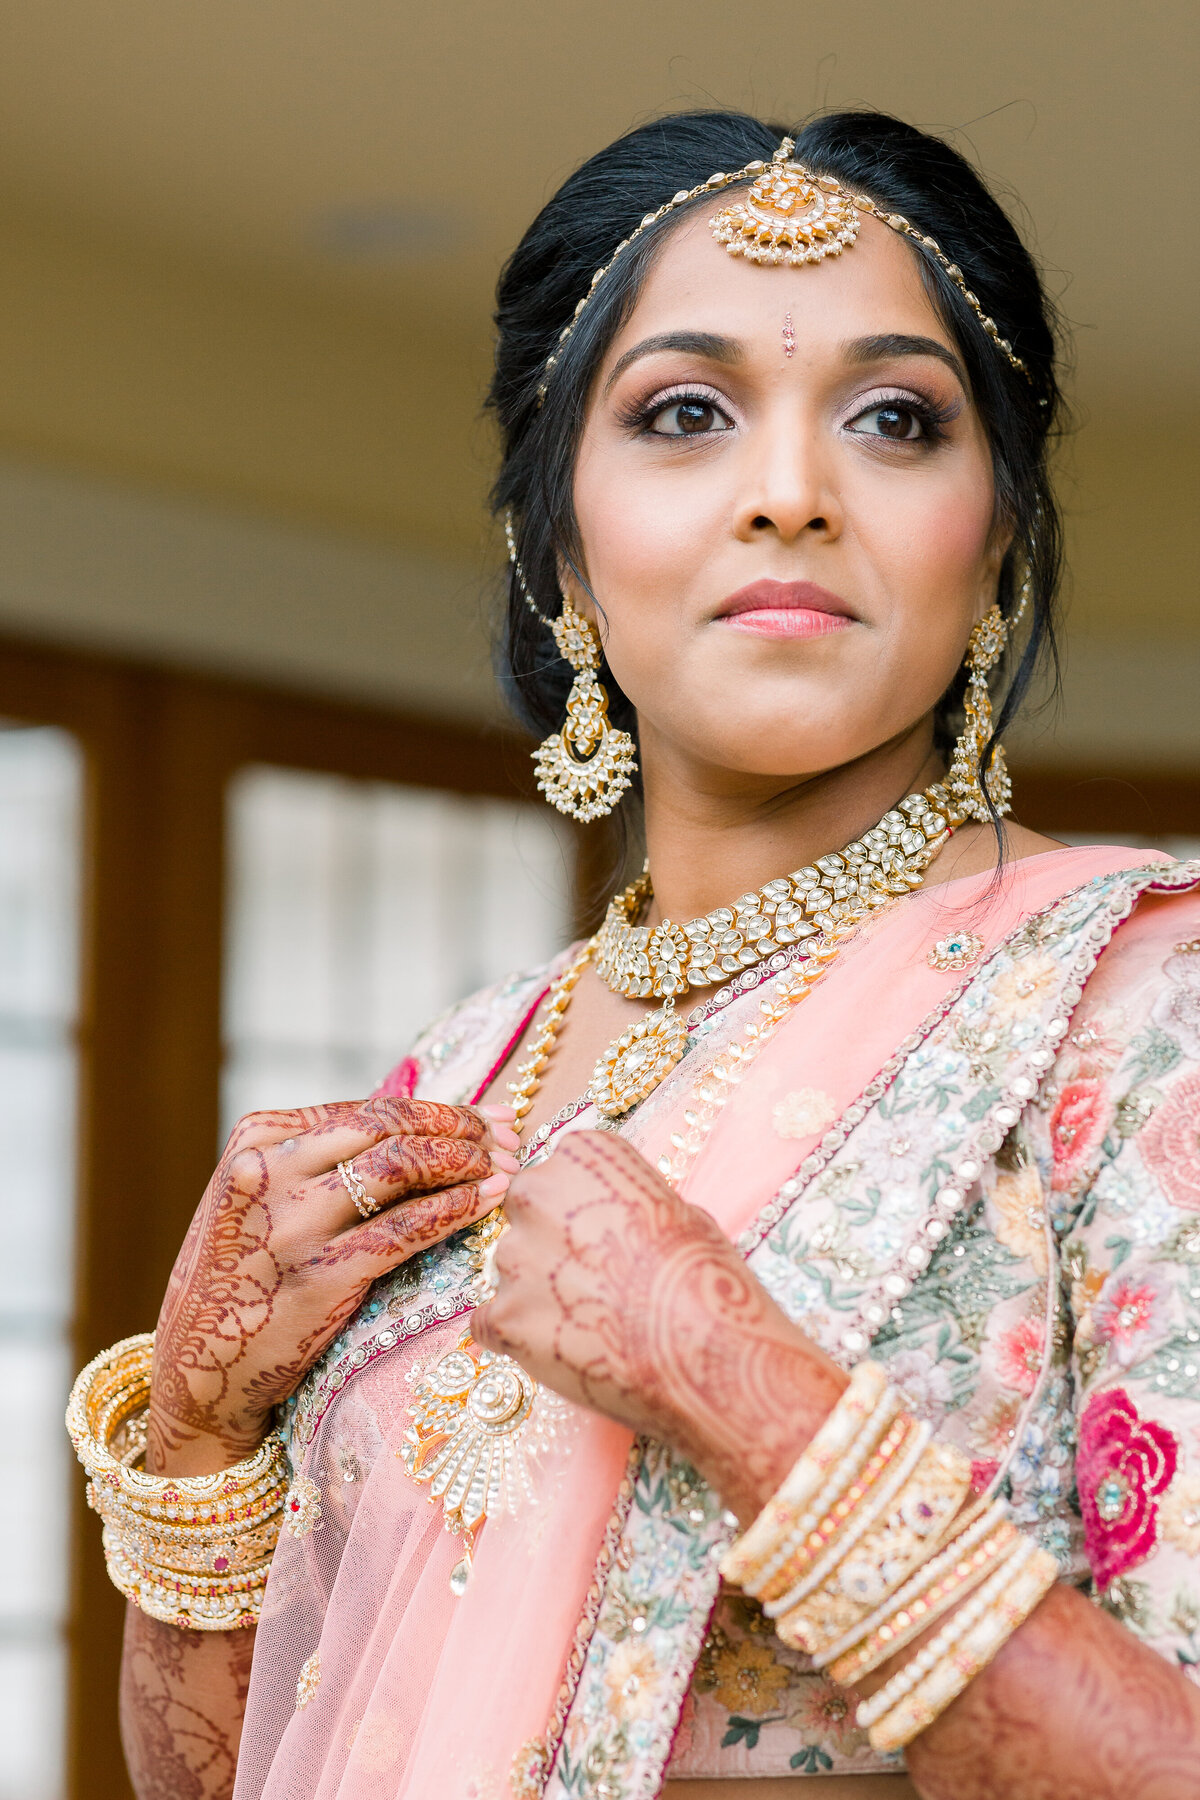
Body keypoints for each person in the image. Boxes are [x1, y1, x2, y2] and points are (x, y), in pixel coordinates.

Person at [69, 109, 1200, 1799]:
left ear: (1000, 544)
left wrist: (734, 1385)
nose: (792, 495)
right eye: (685, 412)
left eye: (897, 419)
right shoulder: (459, 1078)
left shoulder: (1137, 1015)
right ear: (558, 547)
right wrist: (199, 1443)